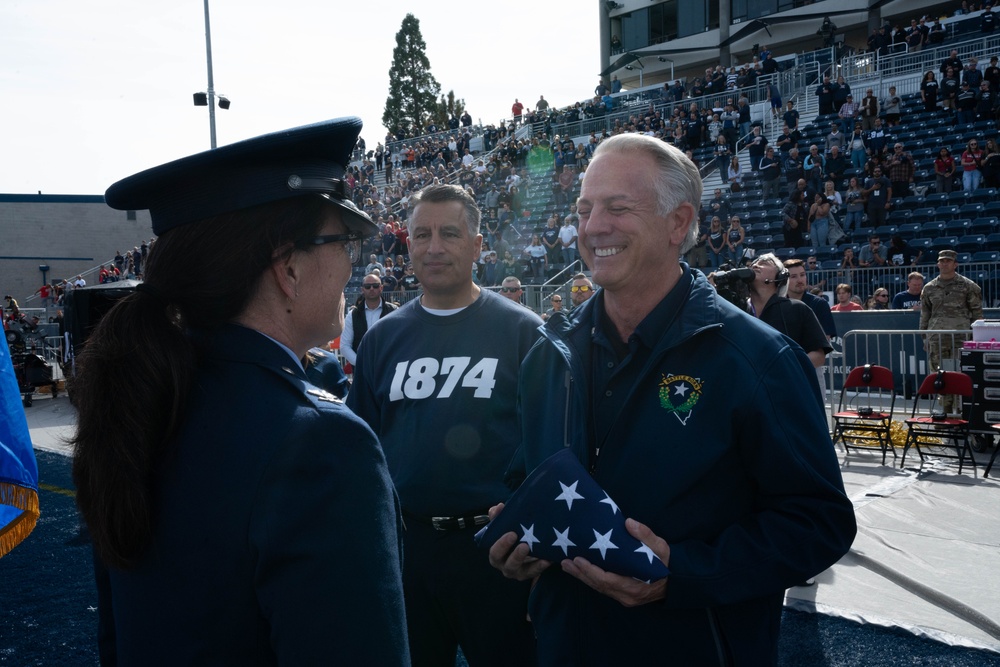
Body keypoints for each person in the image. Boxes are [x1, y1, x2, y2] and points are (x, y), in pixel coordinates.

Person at [489, 134, 855, 665]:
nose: (593, 228)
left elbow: (819, 522)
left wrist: (681, 574)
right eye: (585, 209)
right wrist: (521, 539)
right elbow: (529, 475)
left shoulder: (756, 359)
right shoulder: (549, 353)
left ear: (678, 223)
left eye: (618, 208)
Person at [71, 118, 409, 665]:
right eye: (343, 241)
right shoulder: (320, 444)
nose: (353, 263)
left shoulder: (142, 400)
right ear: (288, 268)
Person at [348, 184, 540, 667]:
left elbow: (550, 448)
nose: (433, 248)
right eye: (421, 235)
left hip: (497, 551)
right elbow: (361, 451)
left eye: (449, 234)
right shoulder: (381, 339)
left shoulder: (523, 331)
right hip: (408, 552)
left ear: (477, 246)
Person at [920, 250, 983, 413]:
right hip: (937, 337)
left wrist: (976, 337)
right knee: (939, 374)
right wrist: (924, 336)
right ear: (937, 264)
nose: (944, 264)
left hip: (960, 336)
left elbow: (976, 313)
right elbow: (925, 313)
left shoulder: (968, 286)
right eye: (942, 261)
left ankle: (962, 411)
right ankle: (945, 412)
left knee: (961, 373)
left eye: (948, 261)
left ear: (955, 264)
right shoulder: (929, 288)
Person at [748, 253, 833, 368]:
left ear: (780, 277)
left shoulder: (799, 308)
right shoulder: (738, 308)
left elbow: (818, 355)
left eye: (764, 263)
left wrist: (789, 367)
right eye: (753, 264)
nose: (756, 265)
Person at [340, 273, 399, 367]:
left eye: (375, 286)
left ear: (381, 288)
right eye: (367, 286)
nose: (371, 289)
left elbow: (400, 341)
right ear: (362, 289)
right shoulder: (352, 315)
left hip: (389, 369)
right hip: (362, 373)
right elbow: (344, 346)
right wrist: (361, 364)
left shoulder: (394, 311)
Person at [785, 259, 836, 341]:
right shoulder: (778, 304)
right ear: (784, 279)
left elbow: (825, 340)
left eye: (802, 275)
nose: (800, 280)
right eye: (793, 276)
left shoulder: (819, 304)